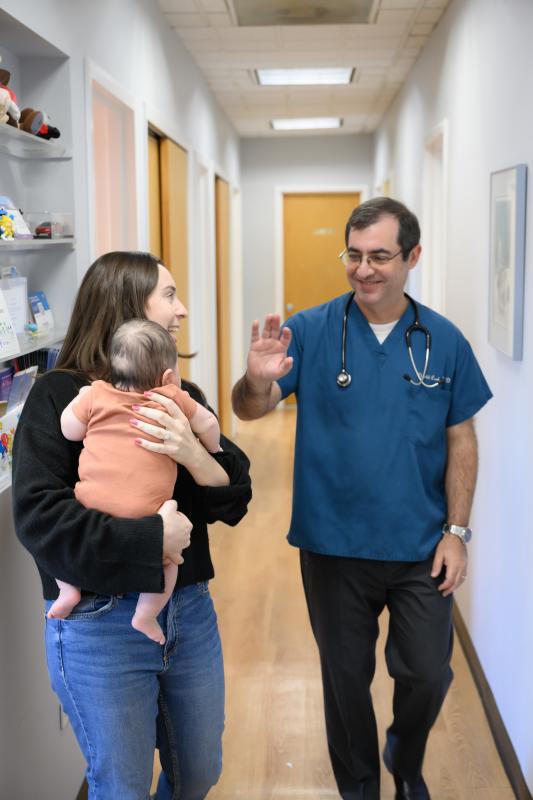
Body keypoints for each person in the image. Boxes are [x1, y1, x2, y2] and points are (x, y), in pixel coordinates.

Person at [232, 197, 492, 800]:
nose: (364, 269)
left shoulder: (443, 340)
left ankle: (405, 755)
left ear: (412, 257)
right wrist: (256, 380)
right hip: (333, 543)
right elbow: (251, 409)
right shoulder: (311, 329)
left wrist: (457, 532)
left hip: (421, 544)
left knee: (427, 672)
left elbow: (462, 437)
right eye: (354, 254)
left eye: (380, 256)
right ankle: (360, 790)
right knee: (345, 682)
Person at [12, 251, 252, 800]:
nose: (182, 309)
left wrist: (191, 451)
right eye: (169, 295)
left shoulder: (177, 395)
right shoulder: (60, 395)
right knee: (122, 787)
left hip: (186, 608)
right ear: (127, 308)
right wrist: (152, 540)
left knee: (199, 772)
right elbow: (40, 518)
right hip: (98, 621)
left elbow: (234, 497)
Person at [49, 318, 221, 647]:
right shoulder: (171, 397)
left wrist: (82, 398)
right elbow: (209, 425)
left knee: (62, 548)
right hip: (149, 515)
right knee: (170, 562)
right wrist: (212, 448)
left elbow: (69, 429)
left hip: (90, 504)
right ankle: (146, 614)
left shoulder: (96, 393)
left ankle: (68, 589)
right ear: (167, 376)